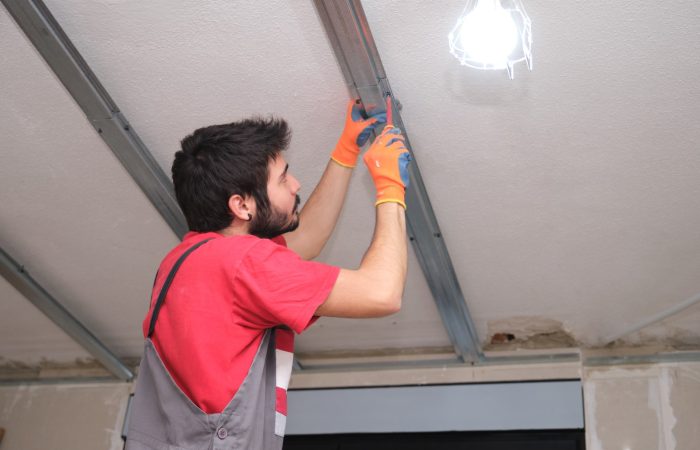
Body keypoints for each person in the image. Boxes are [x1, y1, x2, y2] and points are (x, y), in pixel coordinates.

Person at [125, 98, 411, 450]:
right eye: (283, 178)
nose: (295, 184)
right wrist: (390, 188)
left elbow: (305, 239)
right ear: (241, 205)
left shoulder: (187, 260)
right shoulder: (245, 264)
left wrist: (345, 152)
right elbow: (382, 292)